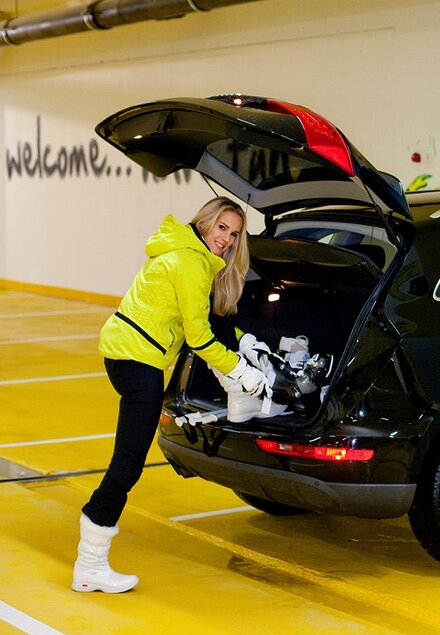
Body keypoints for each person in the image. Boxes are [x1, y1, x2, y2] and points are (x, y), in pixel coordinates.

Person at [73, 196, 268, 593]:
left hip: (127, 353)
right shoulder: (190, 264)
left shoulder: (186, 252)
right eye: (221, 229)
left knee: (128, 461)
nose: (227, 240)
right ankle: (90, 564)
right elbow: (198, 337)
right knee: (127, 464)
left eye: (234, 234)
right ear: (204, 224)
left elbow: (208, 321)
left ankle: (90, 563)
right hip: (137, 361)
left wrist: (242, 342)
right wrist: (239, 372)